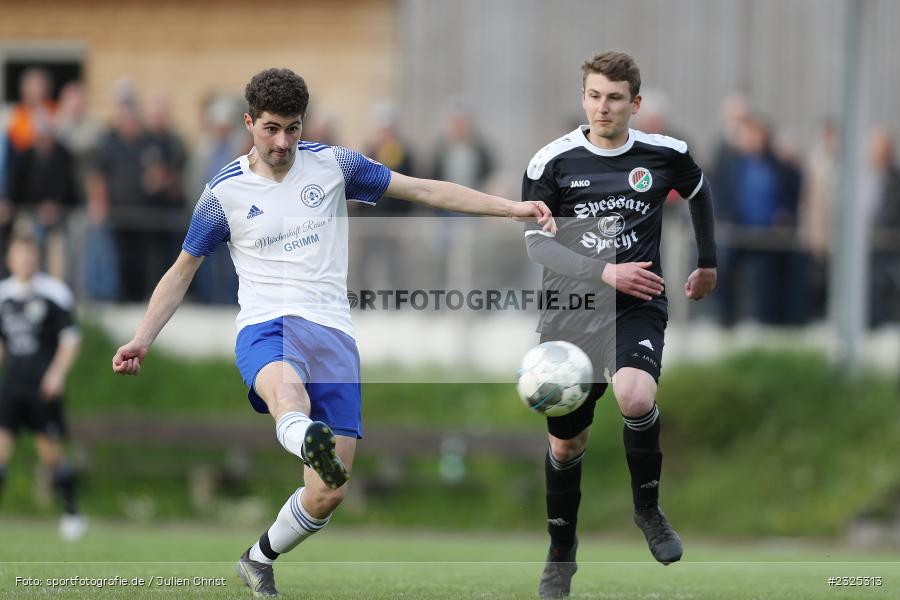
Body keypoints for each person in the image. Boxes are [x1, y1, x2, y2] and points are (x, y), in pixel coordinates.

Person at [110, 68, 553, 598]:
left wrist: (512, 208)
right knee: (287, 394)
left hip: (333, 335)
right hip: (267, 326)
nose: (282, 142)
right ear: (249, 123)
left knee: (327, 493)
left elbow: (423, 189)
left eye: (292, 129)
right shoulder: (222, 193)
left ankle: (258, 558)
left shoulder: (334, 164)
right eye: (271, 129)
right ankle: (303, 434)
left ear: (304, 124)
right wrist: (143, 337)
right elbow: (182, 270)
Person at [521, 51, 717, 598]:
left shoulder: (666, 154)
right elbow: (537, 244)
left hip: (638, 302)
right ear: (583, 97)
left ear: (636, 103)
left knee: (635, 395)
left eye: (613, 98)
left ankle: (648, 511)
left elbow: (700, 193)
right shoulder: (551, 162)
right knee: (567, 445)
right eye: (593, 96)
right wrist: (603, 270)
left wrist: (708, 263)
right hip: (572, 311)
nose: (602, 107)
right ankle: (561, 553)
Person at [0, 236, 85, 541]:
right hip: (11, 386)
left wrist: (57, 374)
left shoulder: (53, 293)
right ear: (10, 259)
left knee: (50, 455)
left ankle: (72, 512)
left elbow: (70, 339)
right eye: (18, 255)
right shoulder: (4, 295)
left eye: (28, 254)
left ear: (36, 258)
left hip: (42, 387)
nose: (24, 260)